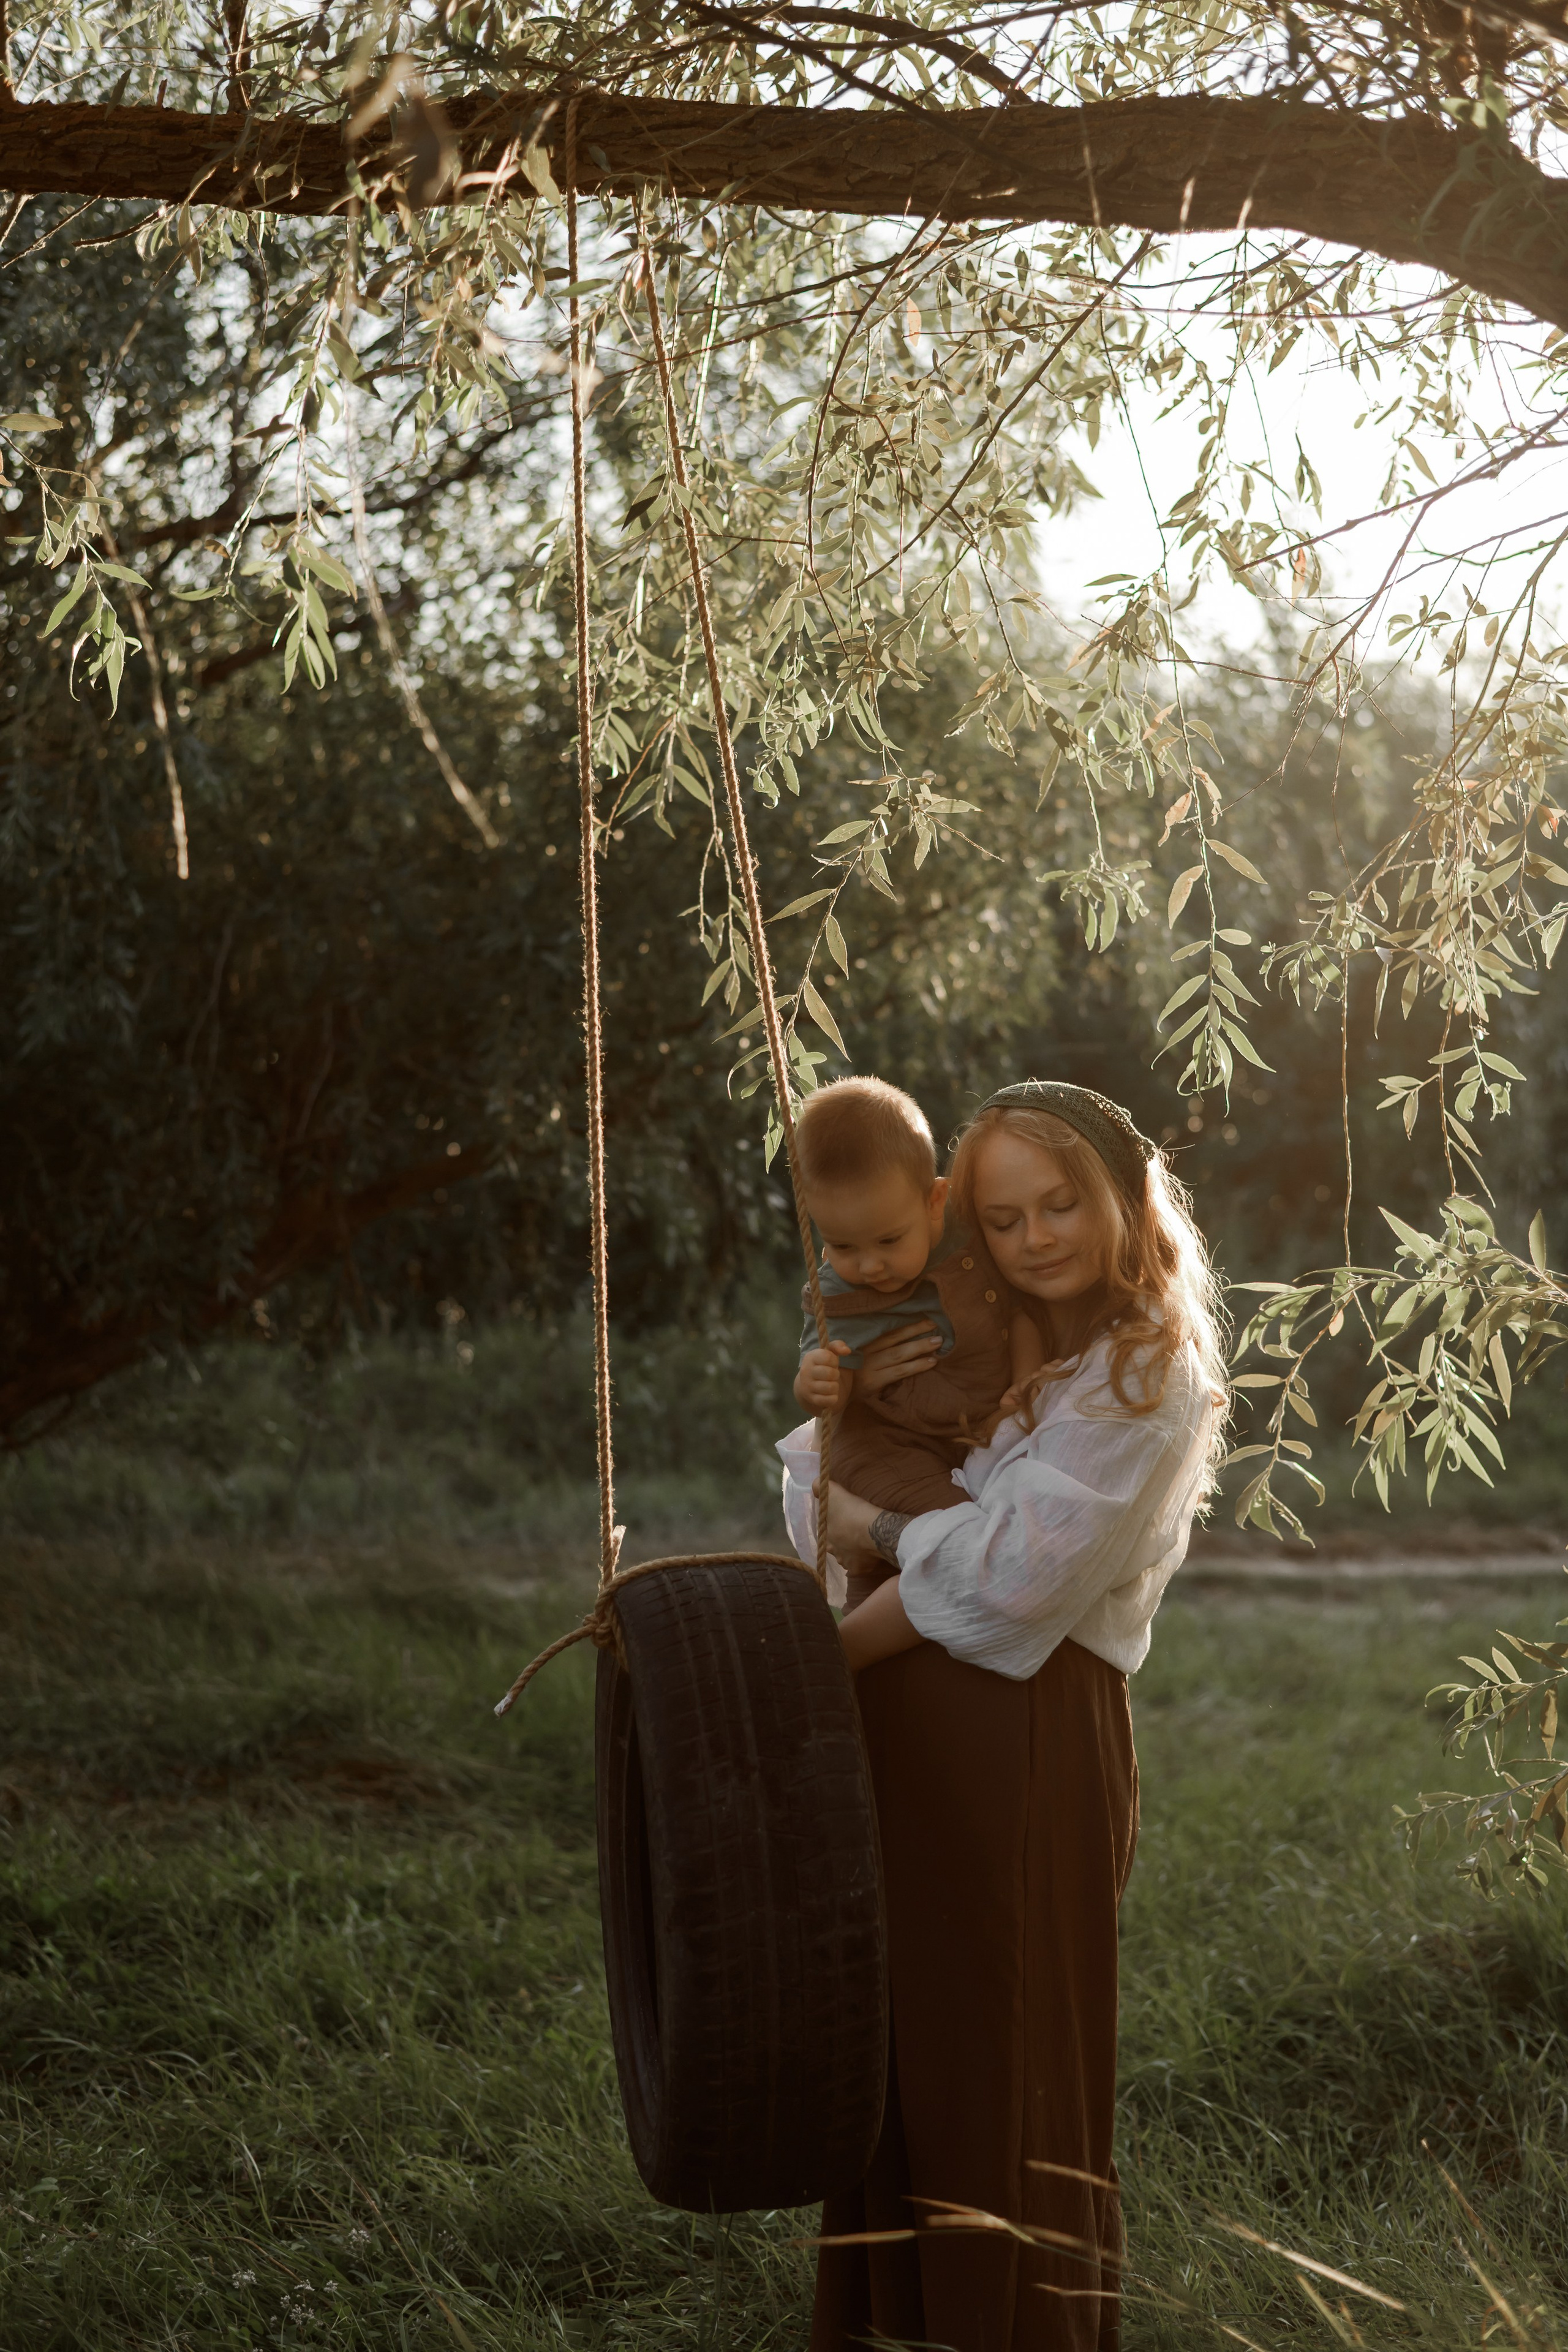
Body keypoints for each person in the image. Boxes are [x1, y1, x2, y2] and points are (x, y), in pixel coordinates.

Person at [781, 1078, 1226, 2352]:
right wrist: (842, 1423)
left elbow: (1009, 1581)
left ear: (1119, 1196)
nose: (1034, 1240)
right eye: (1003, 1215)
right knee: (899, 2067)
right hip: (900, 1732)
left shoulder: (1145, 1375)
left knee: (1003, 2070)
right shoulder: (947, 1325)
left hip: (1025, 1743)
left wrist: (878, 1534)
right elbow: (808, 1479)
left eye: (1058, 1207)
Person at [788, 1076, 1044, 1608]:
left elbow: (1017, 1315)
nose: (869, 1264)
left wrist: (1024, 1382)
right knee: (954, 1537)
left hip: (966, 1436)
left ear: (935, 1201)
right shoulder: (838, 1295)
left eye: (888, 1240)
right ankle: (856, 1652)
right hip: (886, 1449)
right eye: (841, 1244)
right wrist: (819, 1383)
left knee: (955, 1549)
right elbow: (827, 1394)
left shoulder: (970, 1239)